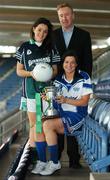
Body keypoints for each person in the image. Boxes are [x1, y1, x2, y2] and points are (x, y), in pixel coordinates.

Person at [34, 50, 93, 176]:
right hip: (62, 115)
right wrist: (47, 99)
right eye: (66, 62)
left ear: (76, 64)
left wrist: (66, 100)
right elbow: (56, 103)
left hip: (78, 116)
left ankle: (54, 162)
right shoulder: (59, 79)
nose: (69, 65)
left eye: (72, 62)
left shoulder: (84, 77)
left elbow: (84, 102)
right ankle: (42, 161)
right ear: (63, 63)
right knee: (38, 124)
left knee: (48, 125)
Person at [15, 17, 61, 168]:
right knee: (35, 125)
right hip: (31, 91)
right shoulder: (24, 48)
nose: (42, 33)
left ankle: (46, 160)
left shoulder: (51, 48)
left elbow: (55, 70)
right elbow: (19, 71)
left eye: (45, 31)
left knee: (45, 125)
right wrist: (33, 74)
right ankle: (36, 158)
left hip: (47, 92)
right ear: (34, 28)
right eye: (39, 29)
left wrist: (48, 74)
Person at [53, 3, 93, 168]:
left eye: (67, 15)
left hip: (77, 84)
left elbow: (88, 61)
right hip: (59, 83)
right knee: (57, 117)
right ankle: (55, 159)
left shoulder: (84, 35)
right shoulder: (53, 35)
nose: (64, 18)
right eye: (61, 15)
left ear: (73, 15)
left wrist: (84, 83)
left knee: (73, 119)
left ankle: (74, 160)